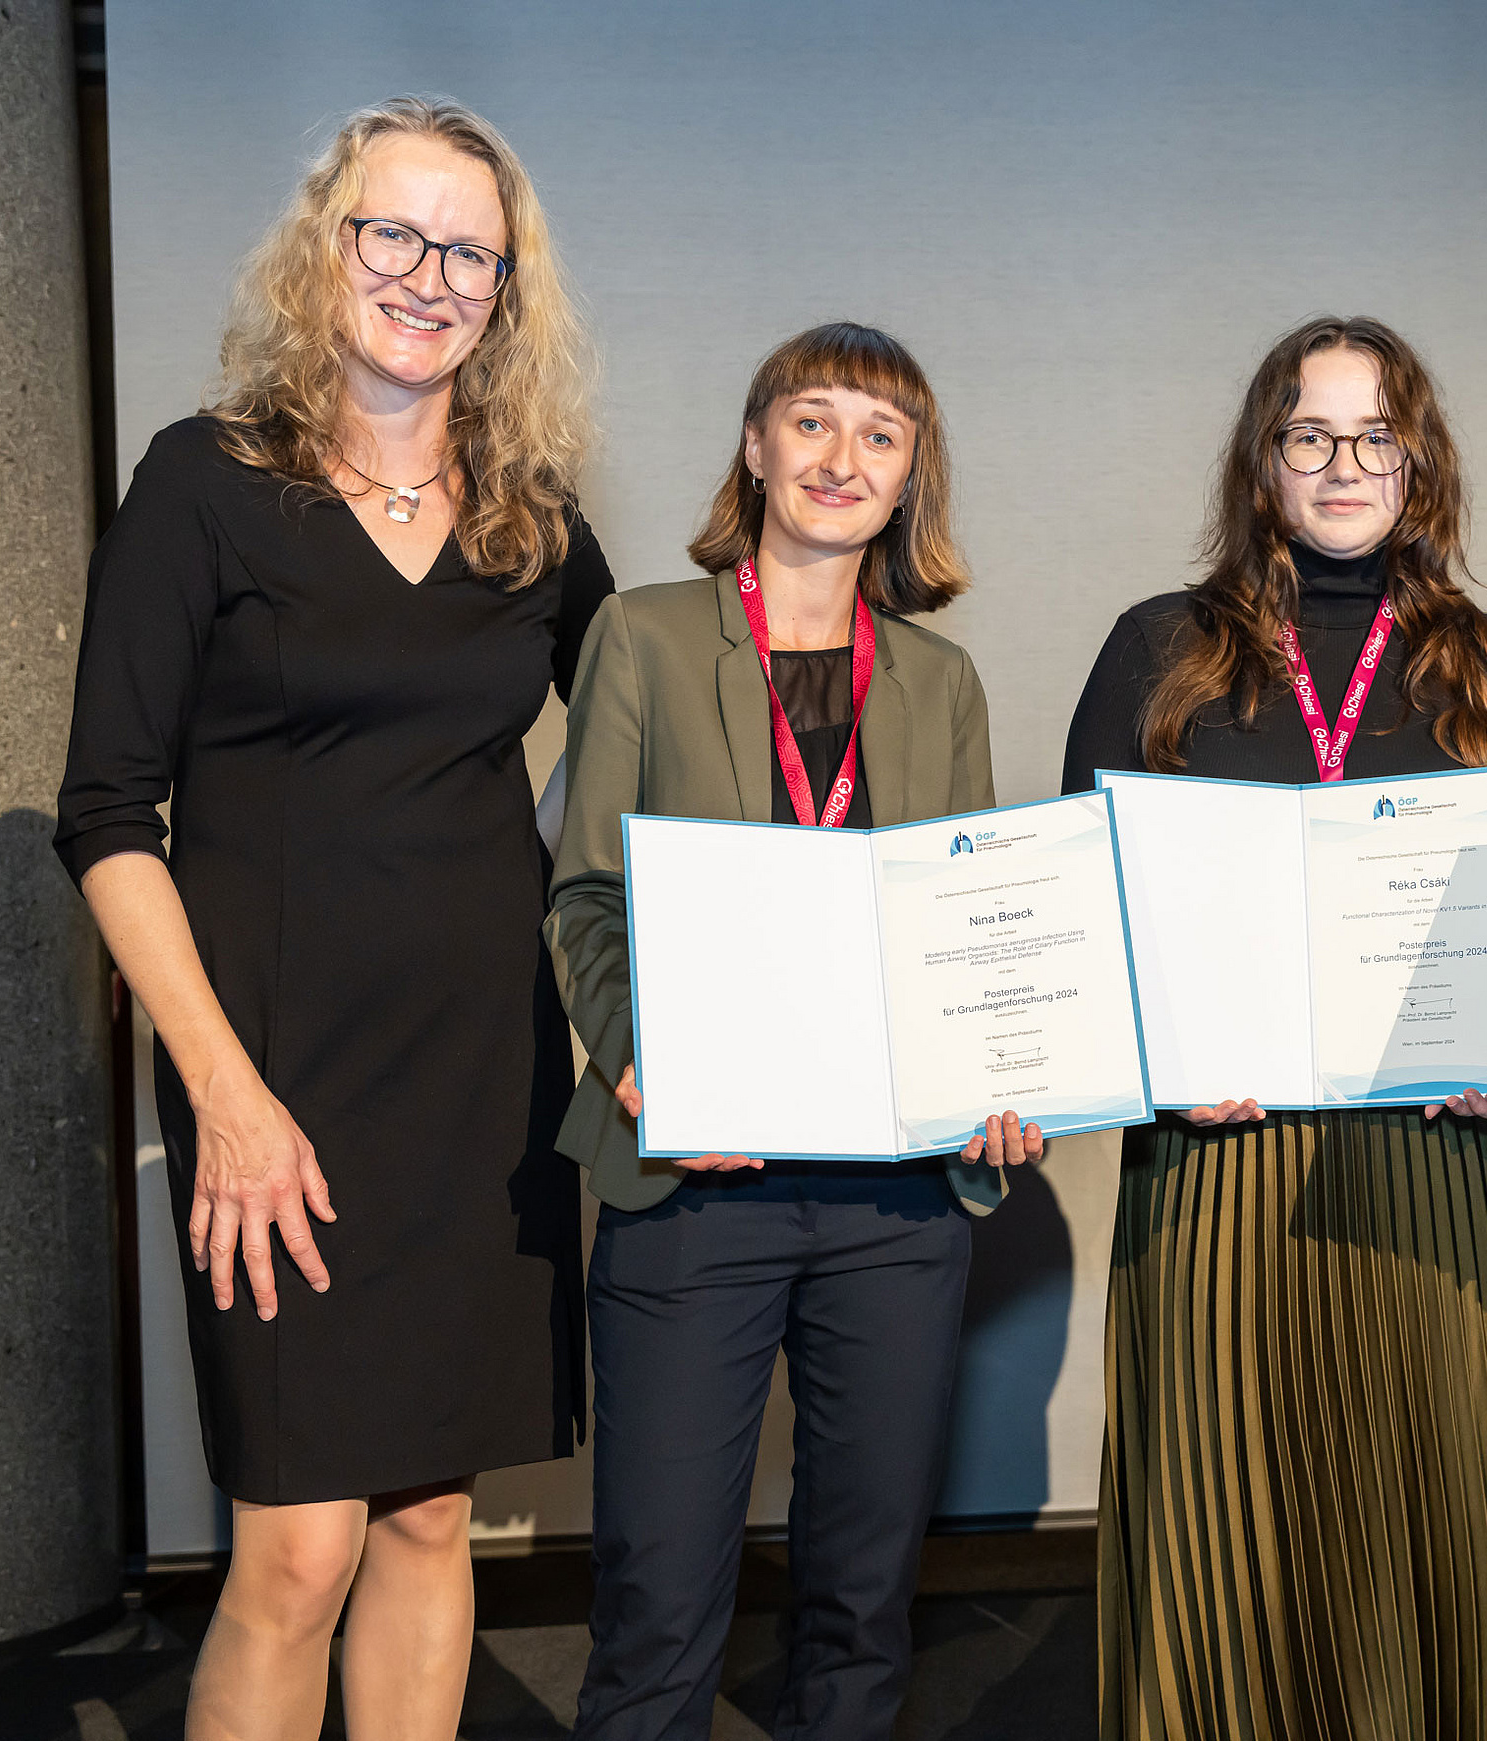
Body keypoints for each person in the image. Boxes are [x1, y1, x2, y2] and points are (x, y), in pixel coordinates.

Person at [53, 97, 607, 1741]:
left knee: (433, 1516)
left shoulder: (534, 515)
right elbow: (104, 819)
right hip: (272, 1081)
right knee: (295, 1548)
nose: (429, 276)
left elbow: (637, 744)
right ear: (328, 241)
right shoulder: (205, 483)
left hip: (476, 1079)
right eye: (396, 233)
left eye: (470, 252)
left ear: (507, 292)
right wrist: (223, 1091)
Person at [1064, 317, 1487, 1740]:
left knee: (1452, 1529)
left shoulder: (1486, 658)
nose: (1344, 464)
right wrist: (1161, 1068)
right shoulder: (1157, 649)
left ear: (1419, 464)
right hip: (1219, 1176)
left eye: (1376, 436)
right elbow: (1086, 911)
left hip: (1441, 1172)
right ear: (1264, 462)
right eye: (1311, 435)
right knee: (1231, 1542)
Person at [546, 322, 1040, 1741]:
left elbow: (965, 932)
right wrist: (639, 1053)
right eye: (812, 422)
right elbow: (585, 896)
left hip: (897, 1200)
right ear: (756, 446)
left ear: (910, 480)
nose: (841, 457)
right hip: (699, 1177)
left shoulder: (940, 682)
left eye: (879, 436)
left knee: (863, 1600)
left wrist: (1000, 1075)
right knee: (657, 1600)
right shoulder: (640, 635)